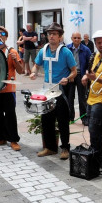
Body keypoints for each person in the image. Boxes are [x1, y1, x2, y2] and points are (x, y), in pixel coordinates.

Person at [30, 23, 76, 160]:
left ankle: (65, 148)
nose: (51, 36)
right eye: (49, 33)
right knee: (46, 120)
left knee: (62, 121)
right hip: (46, 91)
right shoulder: (43, 50)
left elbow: (74, 71)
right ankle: (50, 148)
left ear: (60, 37)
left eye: (55, 34)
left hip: (60, 91)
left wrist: (67, 78)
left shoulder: (66, 52)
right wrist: (33, 73)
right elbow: (36, 66)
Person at [0, 26, 24, 152]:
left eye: (3, 34)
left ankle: (13, 140)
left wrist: (16, 61)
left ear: (6, 37)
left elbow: (21, 71)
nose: (0, 36)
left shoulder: (12, 51)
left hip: (8, 89)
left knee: (10, 115)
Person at [81, 30, 102, 165]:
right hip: (91, 98)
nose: (101, 45)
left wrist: (96, 79)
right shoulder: (95, 56)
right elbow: (90, 72)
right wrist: (85, 76)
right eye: (98, 43)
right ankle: (95, 154)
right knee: (92, 130)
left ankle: (97, 157)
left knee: (95, 130)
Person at [67, 32, 91, 124]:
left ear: (81, 39)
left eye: (78, 38)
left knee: (82, 98)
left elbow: (90, 64)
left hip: (81, 75)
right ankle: (70, 117)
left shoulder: (86, 50)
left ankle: (84, 118)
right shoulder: (67, 48)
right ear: (72, 38)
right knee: (70, 97)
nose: (77, 39)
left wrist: (86, 75)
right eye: (75, 38)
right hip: (71, 75)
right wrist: (70, 75)